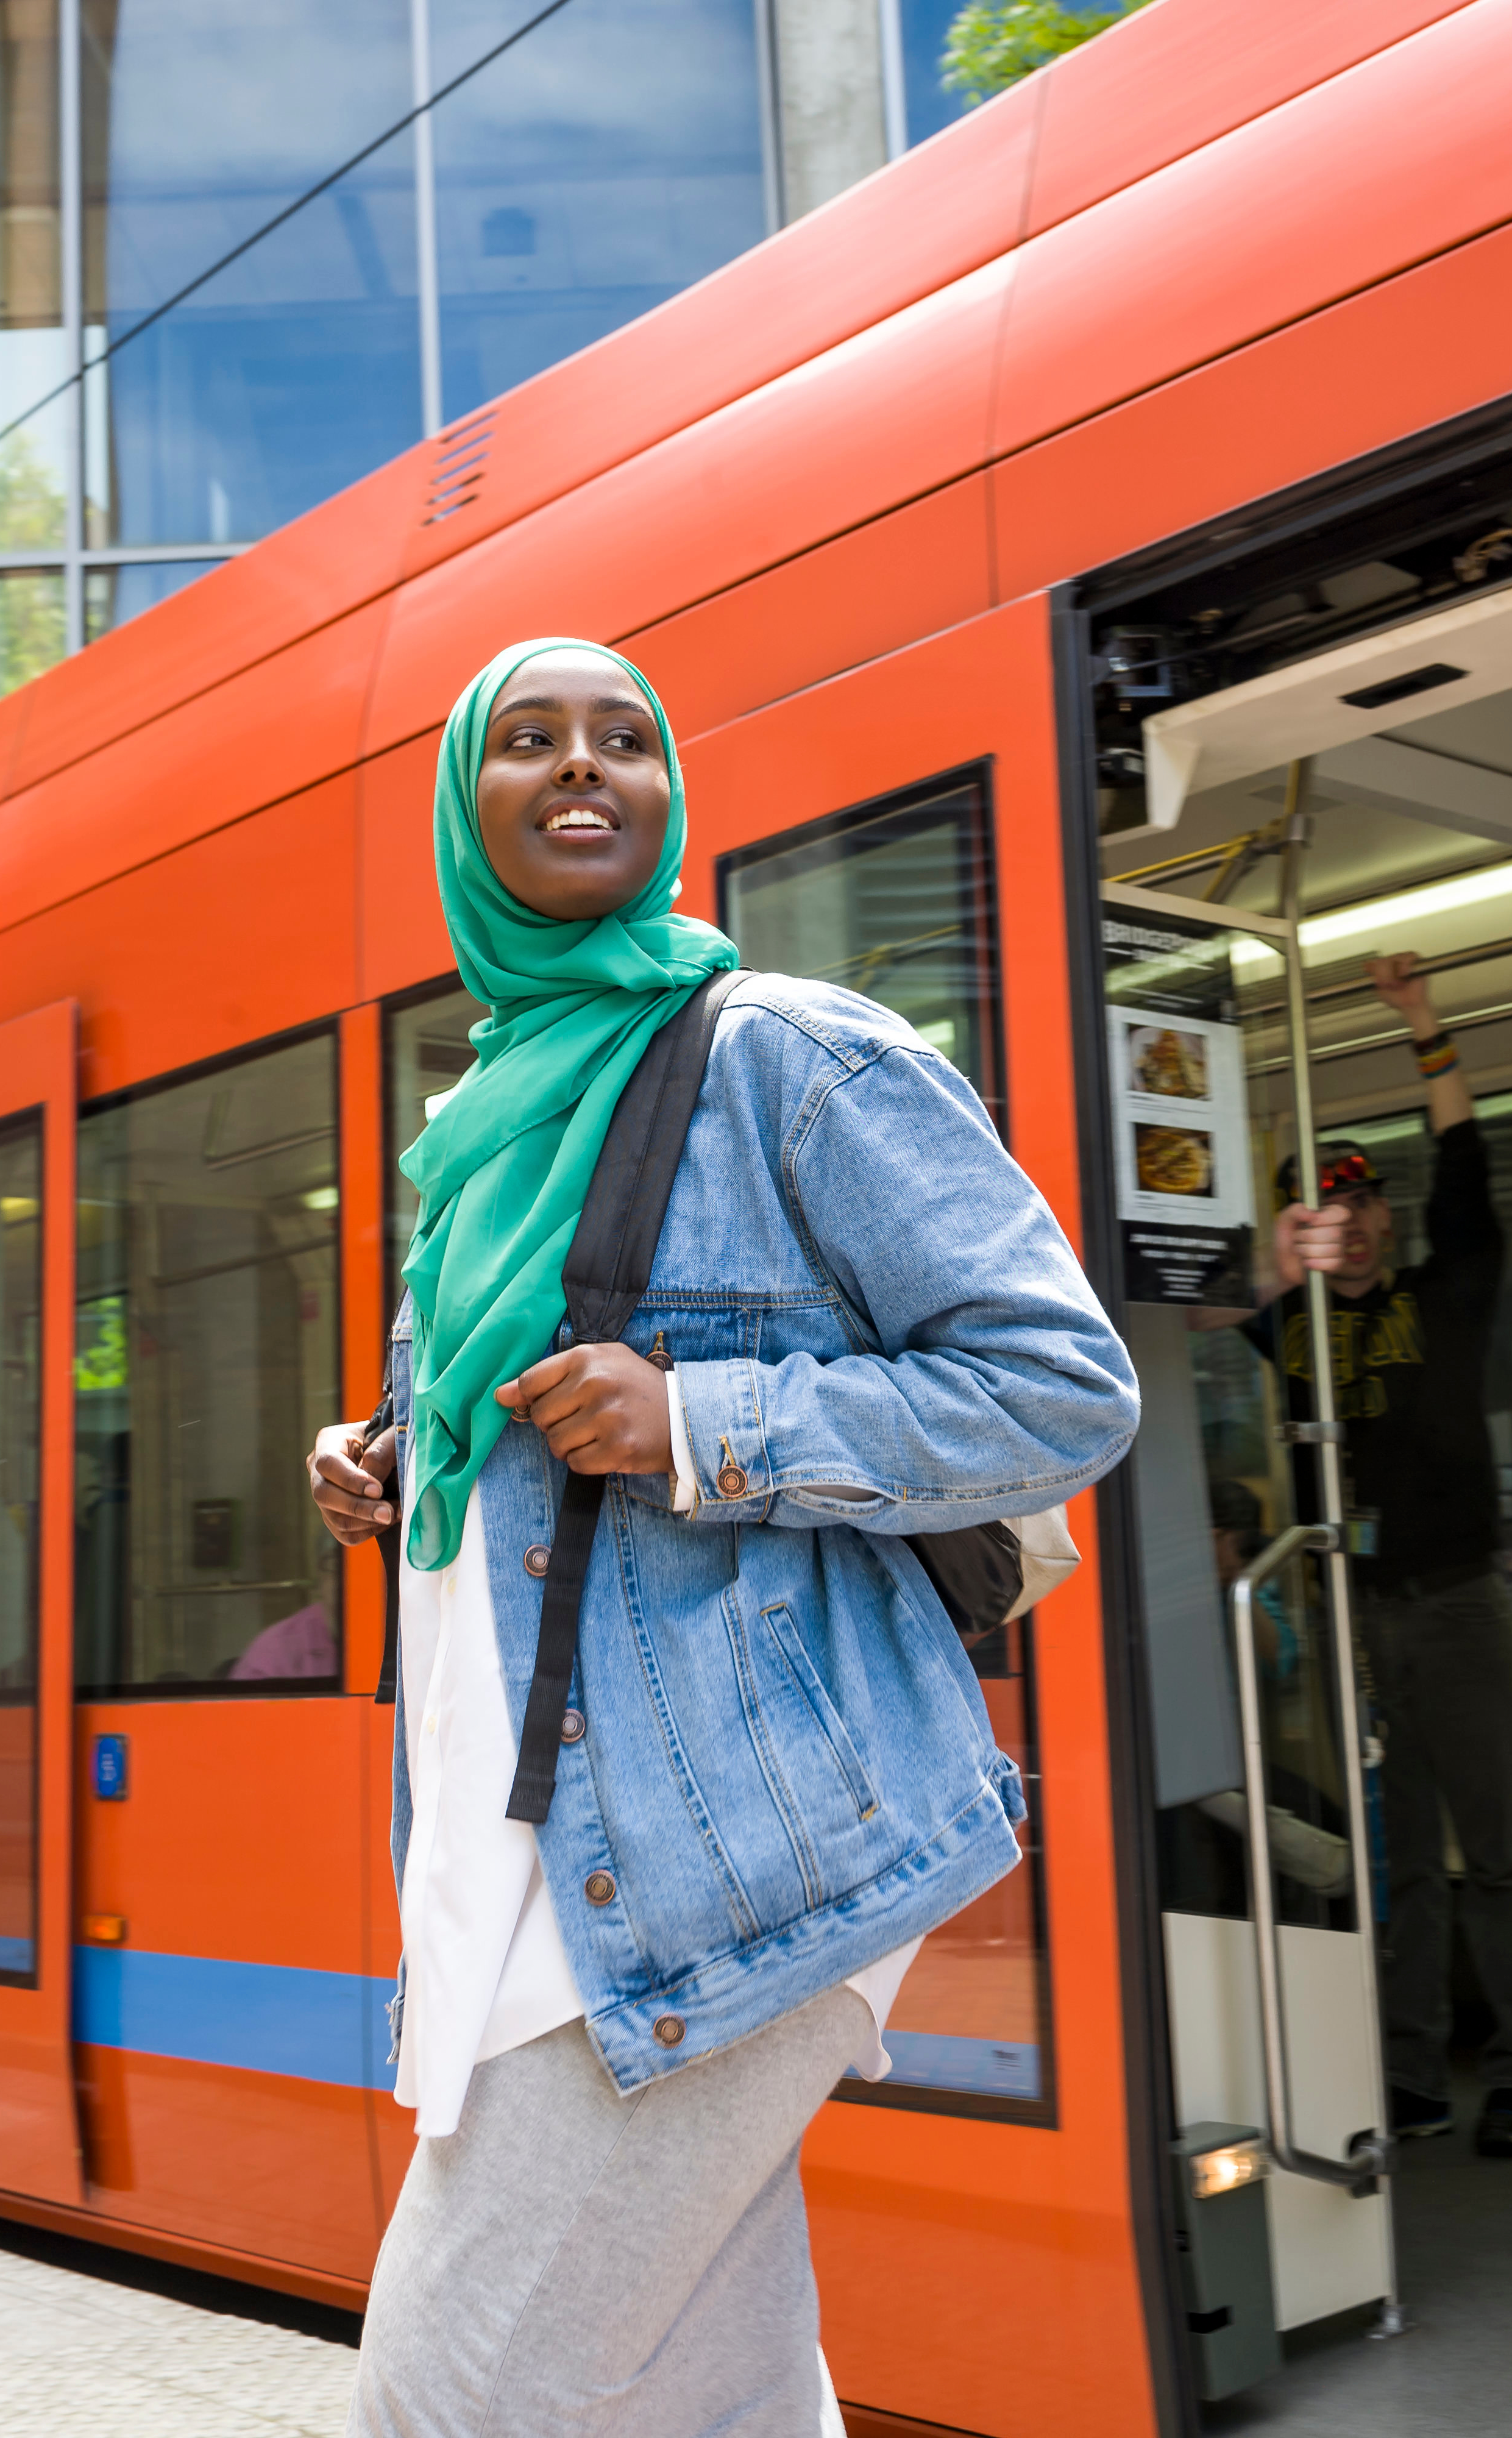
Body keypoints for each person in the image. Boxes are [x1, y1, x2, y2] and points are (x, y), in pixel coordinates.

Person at [306, 638, 1135, 2434]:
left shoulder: (787, 1056)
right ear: (466, 812)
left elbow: (1060, 1388)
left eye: (627, 737)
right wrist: (385, 1459)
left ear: (670, 794)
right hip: (514, 1854)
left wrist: (703, 1424)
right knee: (716, 2399)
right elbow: (495, 1453)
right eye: (525, 742)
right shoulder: (472, 1137)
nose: (582, 764)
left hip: (716, 1853)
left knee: (442, 2404)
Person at [1197, 951, 1512, 2159]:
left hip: (1455, 1601)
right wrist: (1272, 1252)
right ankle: (1409, 2072)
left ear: (1387, 1219)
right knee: (1394, 1860)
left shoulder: (1446, 1292)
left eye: (1360, 1207)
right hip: (1350, 1607)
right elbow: (1190, 1293)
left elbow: (1470, 1175)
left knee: (1497, 1853)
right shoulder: (1284, 1320)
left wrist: (1425, 1028)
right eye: (1321, 1209)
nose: (1345, 1228)